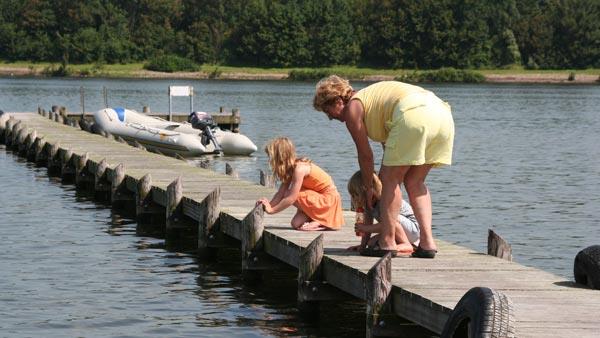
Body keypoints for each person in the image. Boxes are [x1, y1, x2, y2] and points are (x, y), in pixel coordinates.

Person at [313, 76, 454, 258]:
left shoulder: (353, 108)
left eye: (327, 110)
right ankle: (427, 243)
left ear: (339, 101)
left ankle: (387, 242)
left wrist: (368, 187)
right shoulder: (375, 102)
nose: (330, 117)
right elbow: (389, 151)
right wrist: (380, 180)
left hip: (413, 114)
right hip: (441, 115)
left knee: (390, 180)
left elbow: (366, 156)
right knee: (414, 181)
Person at [256, 137, 344, 231]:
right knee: (296, 223)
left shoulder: (299, 169)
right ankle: (319, 221)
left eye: (271, 157)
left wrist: (272, 210)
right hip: (320, 200)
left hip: (328, 200)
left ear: (280, 157)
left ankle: (321, 221)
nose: (269, 161)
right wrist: (267, 205)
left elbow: (291, 198)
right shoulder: (290, 169)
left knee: (288, 194)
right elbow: (280, 193)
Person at [347, 171, 420, 257]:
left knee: (391, 220)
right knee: (371, 243)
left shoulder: (384, 200)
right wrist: (363, 246)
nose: (354, 198)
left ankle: (406, 244)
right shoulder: (368, 205)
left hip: (412, 230)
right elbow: (368, 224)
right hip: (394, 229)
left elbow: (387, 224)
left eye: (356, 194)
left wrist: (366, 228)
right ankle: (401, 245)